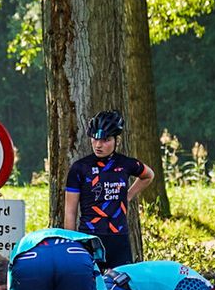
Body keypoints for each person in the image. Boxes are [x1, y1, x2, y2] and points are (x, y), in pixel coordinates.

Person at [64, 110, 155, 269]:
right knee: (90, 288)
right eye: (95, 139)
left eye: (105, 140)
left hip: (119, 238)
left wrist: (129, 196)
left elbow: (148, 175)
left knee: (121, 288)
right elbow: (70, 211)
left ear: (116, 140)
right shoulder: (79, 168)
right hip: (89, 239)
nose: (98, 145)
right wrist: (70, 243)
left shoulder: (126, 164)